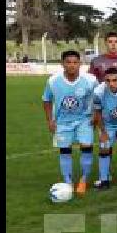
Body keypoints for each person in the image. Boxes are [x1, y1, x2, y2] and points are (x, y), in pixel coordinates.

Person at [42, 50, 99, 195]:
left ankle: (84, 180)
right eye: (68, 62)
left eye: (75, 62)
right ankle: (68, 182)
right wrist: (50, 120)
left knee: (86, 147)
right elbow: (46, 100)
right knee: (65, 150)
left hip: (84, 119)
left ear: (80, 64)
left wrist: (96, 114)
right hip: (62, 121)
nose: (72, 65)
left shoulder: (91, 80)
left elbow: (98, 99)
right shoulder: (53, 81)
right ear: (62, 64)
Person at [89, 32, 117, 180]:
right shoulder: (97, 61)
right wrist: (94, 114)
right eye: (110, 41)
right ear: (105, 43)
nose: (113, 44)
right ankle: (105, 174)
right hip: (106, 107)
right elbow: (92, 84)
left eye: (116, 41)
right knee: (106, 141)